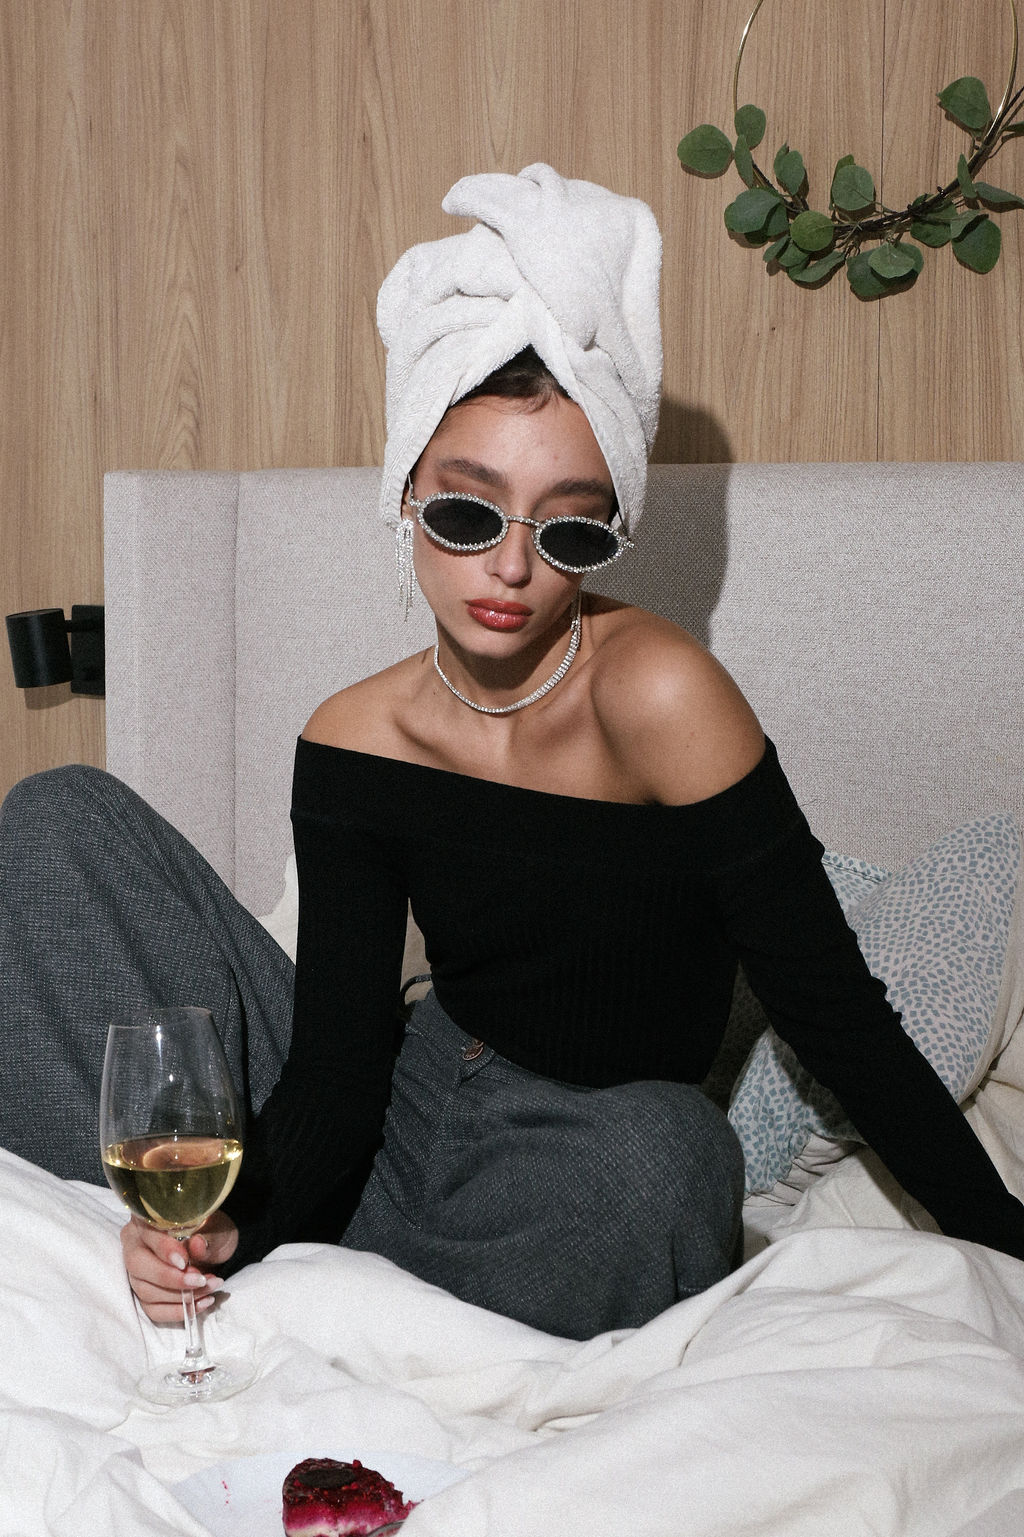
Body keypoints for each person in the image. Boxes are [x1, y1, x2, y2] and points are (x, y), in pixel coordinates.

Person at [4, 165, 1023, 1341]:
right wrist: (238, 1216)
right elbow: (337, 1073)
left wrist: (1001, 1236)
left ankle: (366, 1301)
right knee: (58, 819)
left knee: (671, 1156)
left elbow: (834, 1012)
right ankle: (238, 1258)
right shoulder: (356, 736)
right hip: (398, 1115)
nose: (510, 567)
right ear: (406, 494)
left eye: (569, 527)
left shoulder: (664, 696)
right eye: (466, 511)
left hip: (576, 1166)